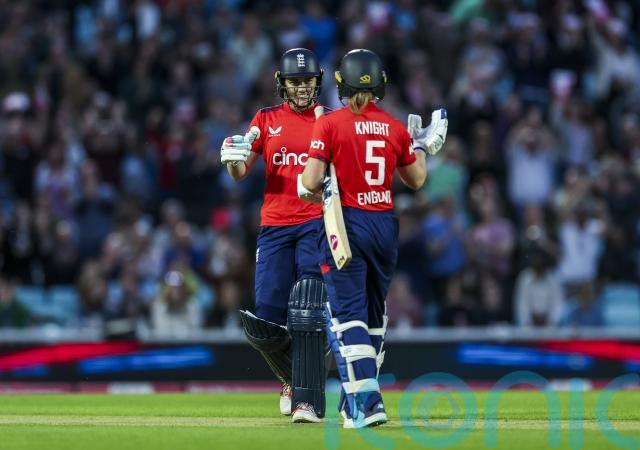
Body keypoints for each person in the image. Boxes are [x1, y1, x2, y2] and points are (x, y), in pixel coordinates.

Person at [300, 49, 448, 428]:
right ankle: (352, 404)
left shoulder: (329, 124)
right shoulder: (394, 127)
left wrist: (308, 183)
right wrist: (420, 145)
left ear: (342, 85)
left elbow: (310, 181)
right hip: (384, 225)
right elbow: (417, 179)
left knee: (346, 315)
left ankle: (368, 403)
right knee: (372, 314)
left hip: (347, 223)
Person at [220, 48, 330, 423]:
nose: (302, 88)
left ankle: (302, 392)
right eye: (295, 82)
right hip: (275, 226)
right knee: (267, 313)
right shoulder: (265, 119)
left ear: (317, 82)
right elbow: (241, 172)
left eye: (307, 80)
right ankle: (292, 378)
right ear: (282, 84)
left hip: (316, 221)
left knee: (308, 309)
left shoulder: (329, 121)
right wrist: (232, 159)